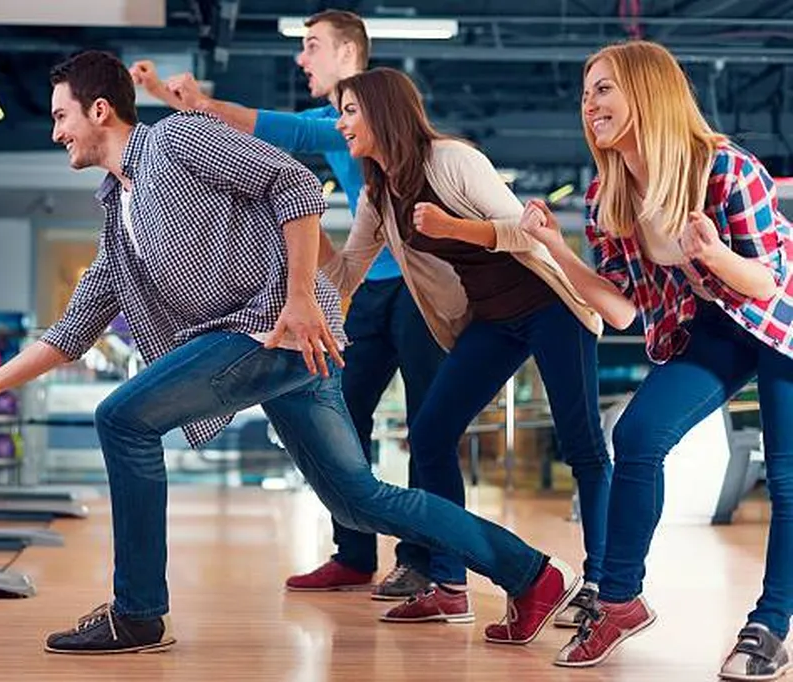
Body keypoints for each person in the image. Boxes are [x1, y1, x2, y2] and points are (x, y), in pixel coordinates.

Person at [0, 49, 580, 655]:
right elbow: (73, 328)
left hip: (268, 329)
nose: (57, 132)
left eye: (61, 116)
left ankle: (137, 612)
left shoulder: (176, 138)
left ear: (100, 110)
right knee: (357, 499)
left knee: (123, 419)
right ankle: (530, 574)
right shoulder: (116, 207)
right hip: (279, 348)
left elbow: (296, 185)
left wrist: (301, 298)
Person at [131, 9, 446, 602]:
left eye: (312, 46)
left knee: (428, 426)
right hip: (367, 289)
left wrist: (197, 100)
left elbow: (280, 132)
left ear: (350, 54)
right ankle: (354, 554)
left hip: (419, 289)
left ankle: (424, 562)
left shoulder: (367, 113)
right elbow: (259, 135)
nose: (302, 59)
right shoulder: (335, 119)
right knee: (346, 415)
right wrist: (163, 96)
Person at [520, 40, 793, 677]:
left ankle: (769, 624)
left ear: (648, 92)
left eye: (605, 88)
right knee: (638, 435)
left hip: (780, 323)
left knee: (786, 477)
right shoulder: (607, 197)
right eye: (586, 92)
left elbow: (767, 284)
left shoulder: (725, 168)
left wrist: (712, 254)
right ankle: (618, 599)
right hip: (714, 327)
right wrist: (555, 252)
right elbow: (619, 310)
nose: (590, 104)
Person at [318, 66, 612, 628]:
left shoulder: (451, 160)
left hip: (550, 307)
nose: (342, 123)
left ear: (382, 112)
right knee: (429, 434)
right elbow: (350, 270)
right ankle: (450, 582)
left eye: (351, 110)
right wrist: (309, 245)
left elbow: (526, 230)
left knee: (583, 447)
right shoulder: (380, 194)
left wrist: (453, 227)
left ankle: (602, 583)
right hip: (493, 321)